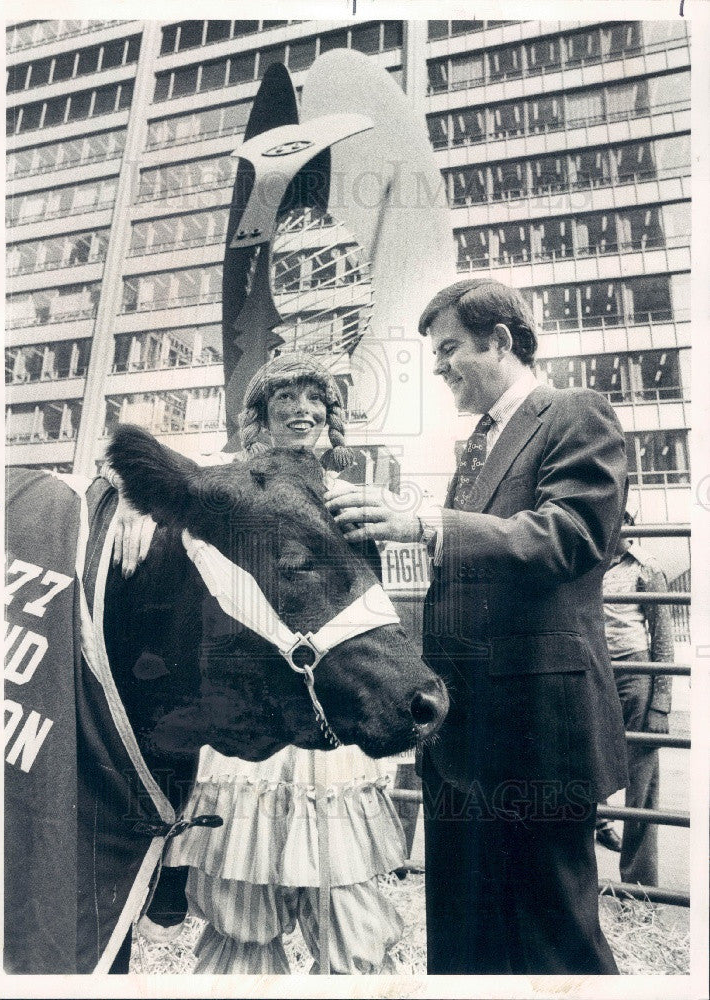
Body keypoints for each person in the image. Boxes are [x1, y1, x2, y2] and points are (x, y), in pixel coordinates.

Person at [325, 277, 629, 975]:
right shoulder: (480, 446)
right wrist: (382, 533)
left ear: (500, 341)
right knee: (466, 938)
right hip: (467, 734)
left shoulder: (576, 412)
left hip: (537, 734)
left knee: (557, 938)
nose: (438, 366)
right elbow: (469, 560)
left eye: (450, 348)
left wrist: (424, 523)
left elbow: (571, 536)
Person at [110, 353, 407, 974]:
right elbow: (146, 483)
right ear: (260, 418)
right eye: (284, 400)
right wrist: (134, 511)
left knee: (343, 898)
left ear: (332, 414)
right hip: (246, 717)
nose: (301, 409)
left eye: (313, 398)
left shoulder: (360, 495)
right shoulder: (227, 487)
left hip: (331, 706)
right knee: (240, 907)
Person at [595, 512, 674, 885]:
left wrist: (660, 703)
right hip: (592, 676)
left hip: (634, 676)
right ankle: (597, 828)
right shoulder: (586, 563)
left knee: (641, 779)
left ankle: (639, 883)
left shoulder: (645, 568)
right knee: (586, 765)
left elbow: (663, 638)